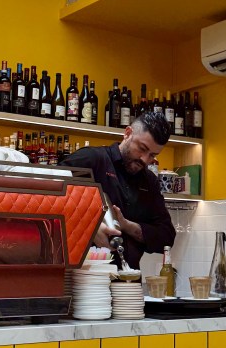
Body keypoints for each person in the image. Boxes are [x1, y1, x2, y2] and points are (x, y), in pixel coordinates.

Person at [65, 112, 176, 269]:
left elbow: (166, 237)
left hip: (128, 280)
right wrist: (89, 227)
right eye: (142, 148)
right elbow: (49, 200)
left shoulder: (150, 181)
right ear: (128, 133)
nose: (145, 159)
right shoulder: (91, 159)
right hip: (83, 277)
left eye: (152, 155)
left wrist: (127, 226)